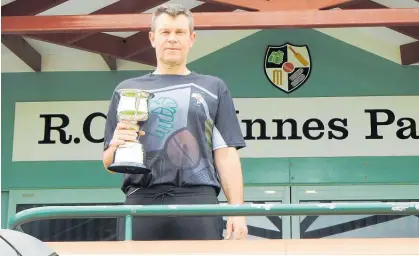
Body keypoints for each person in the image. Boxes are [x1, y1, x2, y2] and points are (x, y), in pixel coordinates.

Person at [102, 3, 247, 241]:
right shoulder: (126, 91)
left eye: (179, 33)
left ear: (191, 39)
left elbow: (226, 154)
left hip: (198, 201)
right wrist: (117, 145)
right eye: (165, 32)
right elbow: (108, 163)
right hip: (140, 199)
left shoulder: (213, 88)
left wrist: (237, 210)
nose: (172, 39)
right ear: (152, 38)